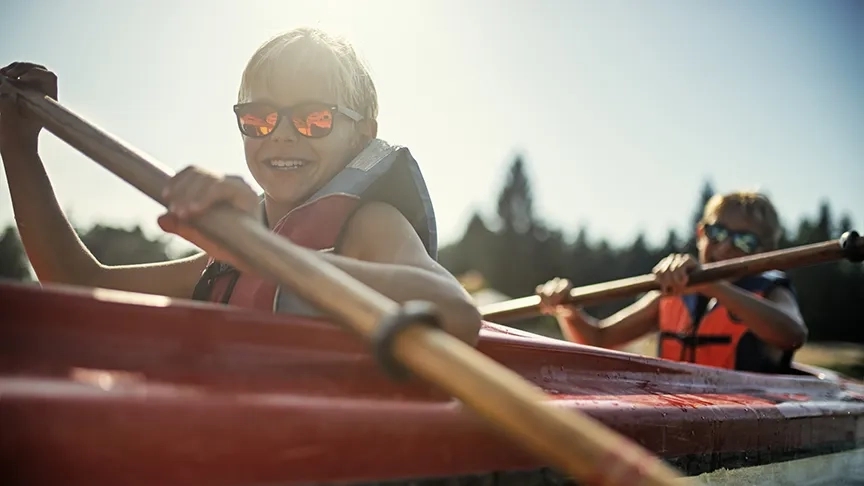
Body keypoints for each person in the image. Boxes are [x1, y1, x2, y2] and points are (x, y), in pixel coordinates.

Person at [0, 27, 482, 345]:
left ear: (361, 134)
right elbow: (80, 284)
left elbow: (457, 312)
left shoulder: (369, 225)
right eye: (260, 117)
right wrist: (18, 152)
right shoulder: (230, 255)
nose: (282, 133)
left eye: (314, 117)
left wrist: (271, 260)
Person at [536, 191, 807, 373]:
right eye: (717, 232)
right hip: (682, 418)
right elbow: (599, 338)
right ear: (701, 233)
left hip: (748, 424)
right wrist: (569, 312)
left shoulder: (772, 292)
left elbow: (792, 336)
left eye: (743, 241)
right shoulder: (675, 293)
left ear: (765, 252)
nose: (724, 248)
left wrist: (710, 285)